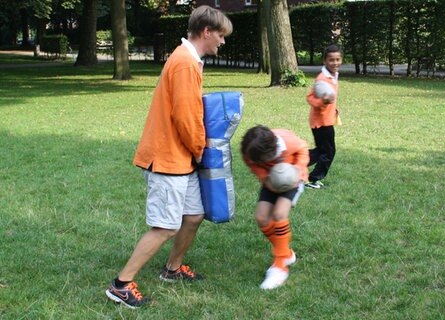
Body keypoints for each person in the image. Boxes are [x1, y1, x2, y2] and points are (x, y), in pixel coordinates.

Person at [105, 5, 232, 309]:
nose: (222, 41)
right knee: (165, 226)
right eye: (221, 35)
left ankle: (172, 269)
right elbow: (187, 119)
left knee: (193, 216)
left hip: (180, 159)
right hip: (168, 160)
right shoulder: (185, 63)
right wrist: (203, 152)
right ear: (206, 32)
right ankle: (121, 285)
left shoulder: (188, 59)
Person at [240, 125, 309, 290]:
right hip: (270, 182)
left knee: (279, 214)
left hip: (291, 180)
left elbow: (304, 148)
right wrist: (265, 177)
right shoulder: (250, 152)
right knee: (262, 218)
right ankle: (286, 253)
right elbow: (252, 164)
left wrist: (298, 170)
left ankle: (280, 265)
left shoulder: (287, 141)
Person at [305, 44, 343, 189]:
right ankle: (313, 179)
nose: (335, 63)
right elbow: (310, 98)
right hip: (320, 122)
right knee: (328, 151)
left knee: (322, 151)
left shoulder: (332, 75)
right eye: (331, 60)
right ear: (324, 61)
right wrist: (323, 101)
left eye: (338, 59)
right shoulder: (322, 79)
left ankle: (294, 163)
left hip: (326, 120)